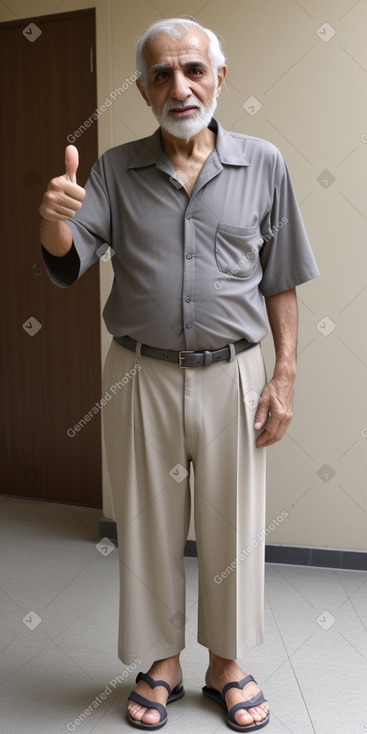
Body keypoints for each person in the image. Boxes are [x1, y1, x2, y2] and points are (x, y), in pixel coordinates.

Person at [39, 17, 319, 732]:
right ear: (141, 90)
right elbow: (69, 263)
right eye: (160, 74)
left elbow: (281, 278)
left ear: (218, 78)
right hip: (141, 374)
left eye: (193, 70)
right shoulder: (113, 169)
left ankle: (225, 662)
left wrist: (282, 374)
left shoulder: (264, 165)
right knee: (146, 524)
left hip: (235, 373)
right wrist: (53, 220)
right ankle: (160, 661)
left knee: (234, 526)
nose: (179, 86)